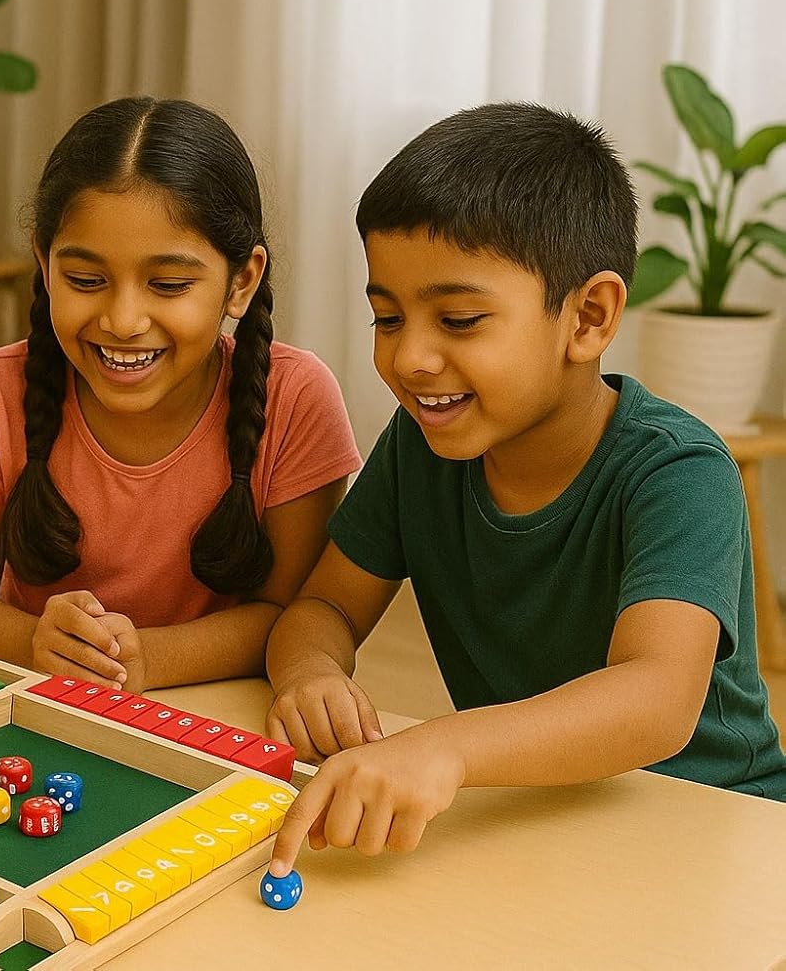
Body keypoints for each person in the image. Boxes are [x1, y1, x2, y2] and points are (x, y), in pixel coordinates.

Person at [266, 103, 786, 880]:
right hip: (531, 816)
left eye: (459, 320)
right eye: (387, 318)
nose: (409, 358)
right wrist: (310, 672)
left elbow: (657, 697)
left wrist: (445, 747)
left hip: (711, 828)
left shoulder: (680, 471)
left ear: (589, 318)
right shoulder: (419, 448)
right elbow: (325, 607)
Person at [0, 97, 360, 691]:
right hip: (44, 704)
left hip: (214, 710)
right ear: (44, 263)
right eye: (85, 280)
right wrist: (33, 642)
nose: (123, 321)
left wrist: (149, 657)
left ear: (242, 281)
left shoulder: (297, 398)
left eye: (169, 285)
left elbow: (294, 616)